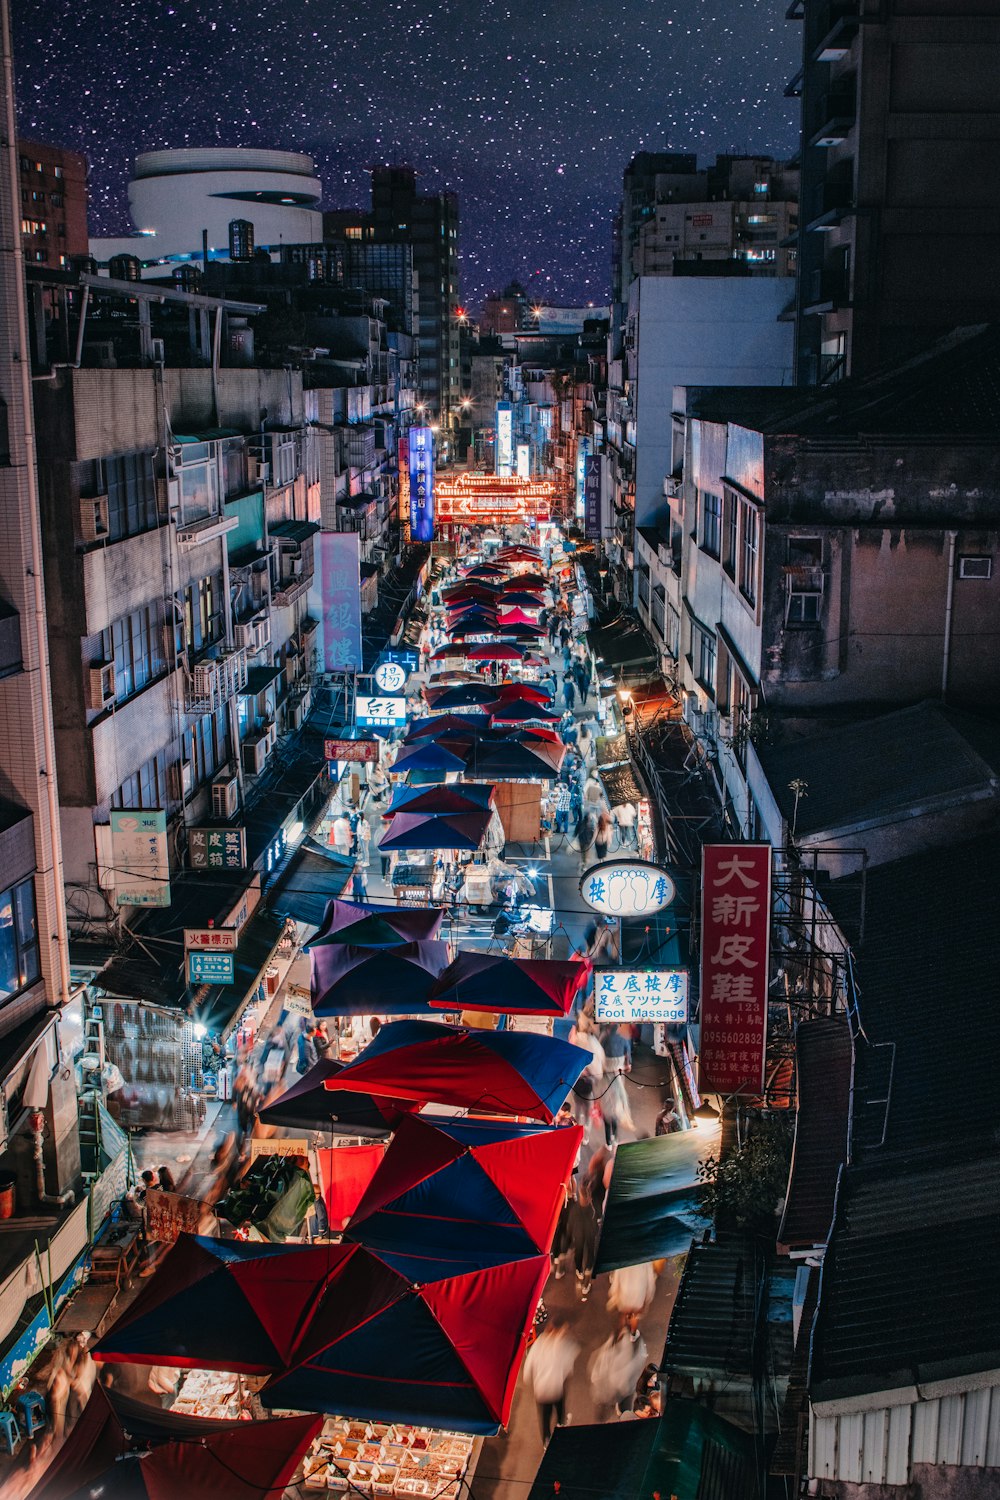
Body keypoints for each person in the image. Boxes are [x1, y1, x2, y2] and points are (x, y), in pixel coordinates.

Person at [522, 1317, 580, 1443]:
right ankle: (561, 1426)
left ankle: (546, 1441)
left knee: (544, 1417)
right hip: (556, 1387)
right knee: (560, 1409)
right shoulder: (562, 1345)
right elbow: (570, 1359)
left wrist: (528, 1377)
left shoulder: (540, 1343)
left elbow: (529, 1363)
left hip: (541, 1390)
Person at [590, 1327, 648, 1420]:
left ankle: (619, 1419)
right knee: (609, 1410)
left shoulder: (630, 1345)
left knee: (624, 1410)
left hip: (624, 1386)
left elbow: (633, 1365)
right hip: (616, 1387)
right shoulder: (613, 1344)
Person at [608, 1262, 657, 1340]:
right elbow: (650, 1279)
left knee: (623, 1313)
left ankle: (621, 1332)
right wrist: (649, 1296)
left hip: (624, 1291)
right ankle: (633, 1334)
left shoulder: (625, 1258)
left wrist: (613, 1293)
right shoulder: (646, 1261)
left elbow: (616, 1277)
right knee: (634, 1315)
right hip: (638, 1293)